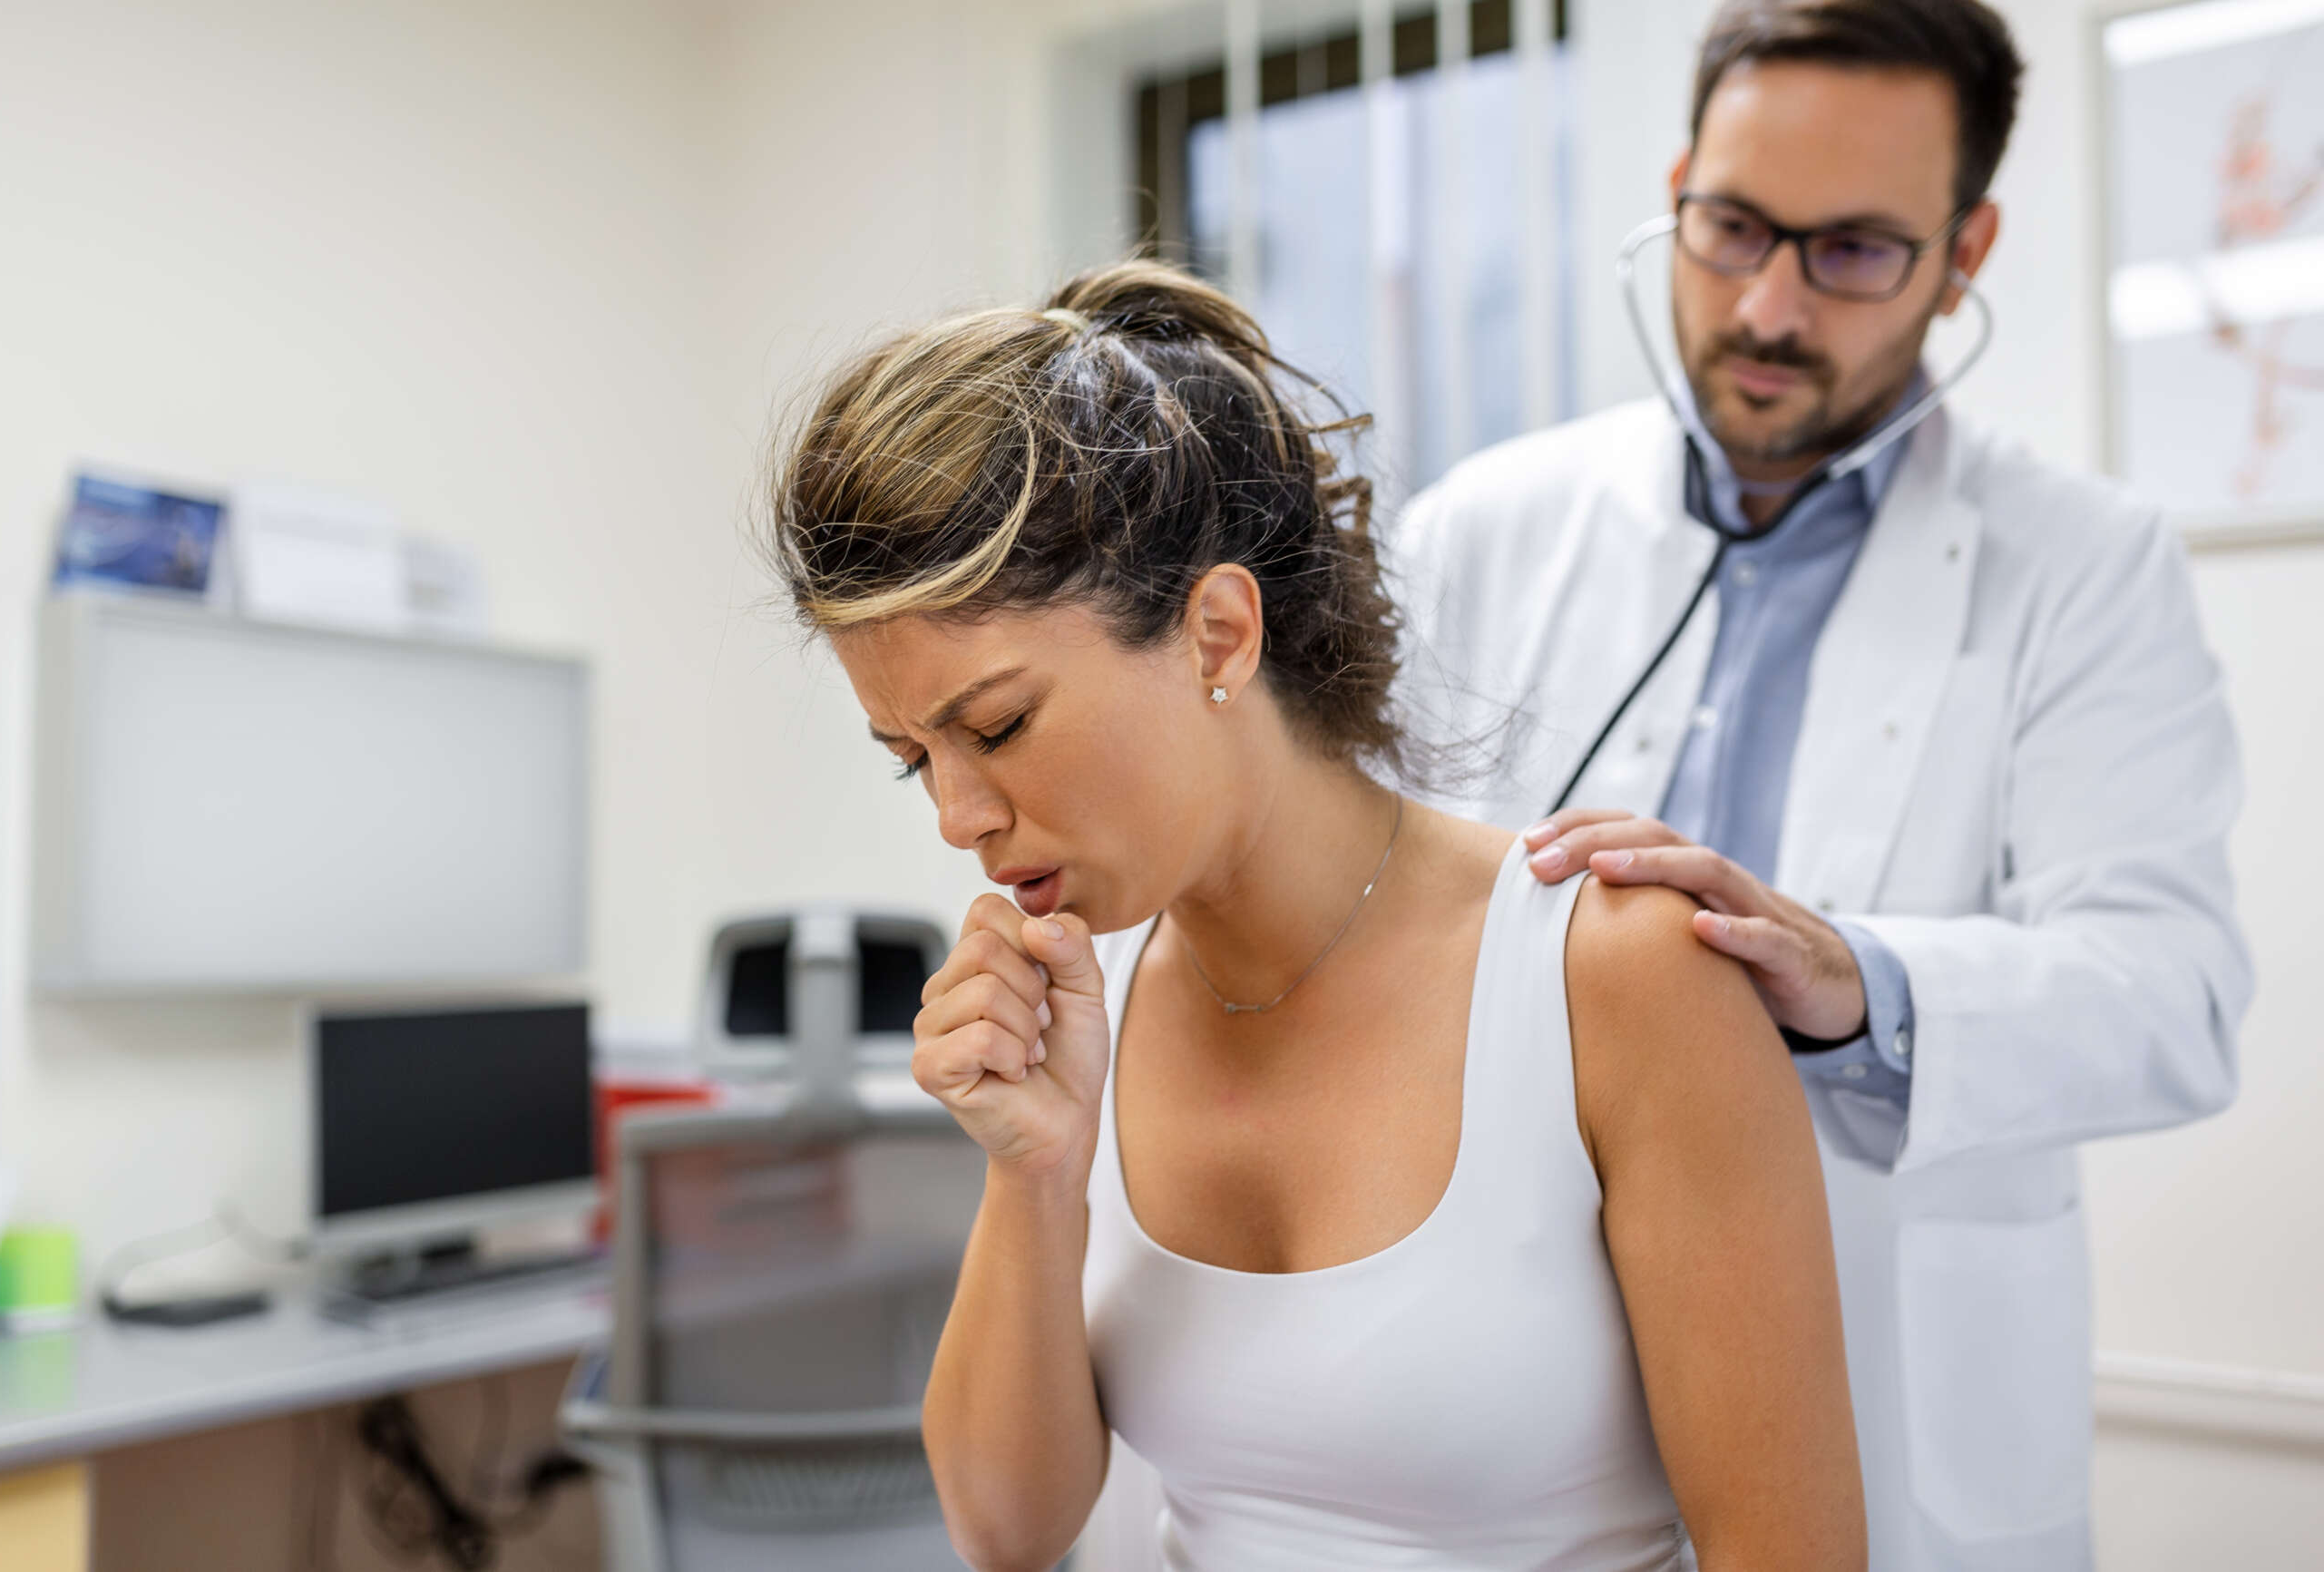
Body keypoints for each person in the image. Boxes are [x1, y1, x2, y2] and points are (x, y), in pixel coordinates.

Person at [767, 262, 1866, 1570]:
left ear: (1220, 634)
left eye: (998, 726)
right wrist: (1036, 1167)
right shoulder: (1083, 1000)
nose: (957, 815)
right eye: (912, 755)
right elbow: (1006, 1529)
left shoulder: (1613, 974)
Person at [1385, 3, 2253, 1567]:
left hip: (1897, 1397)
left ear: (1964, 248)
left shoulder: (2086, 564)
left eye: (1853, 250)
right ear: (1679, 184)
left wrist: (1863, 981)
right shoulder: (1483, 530)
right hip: (1515, 1392)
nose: (1770, 304)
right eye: (1731, 229)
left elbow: (2177, 991)